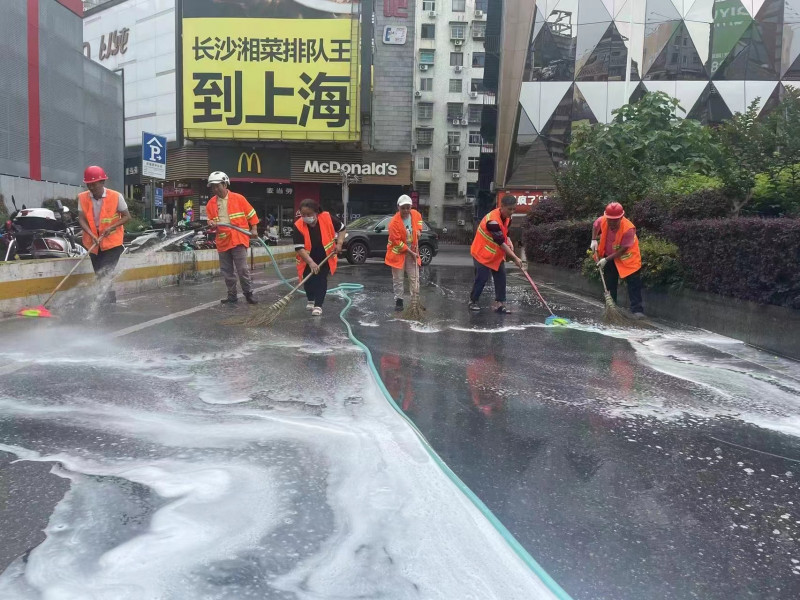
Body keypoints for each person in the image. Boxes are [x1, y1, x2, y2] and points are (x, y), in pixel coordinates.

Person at [77, 165, 130, 304]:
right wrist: (90, 234)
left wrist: (111, 227)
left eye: (94, 184)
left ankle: (105, 301)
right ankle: (109, 299)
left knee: (105, 272)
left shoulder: (116, 196)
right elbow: (81, 218)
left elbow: (126, 217)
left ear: (102, 182)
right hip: (93, 242)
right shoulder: (82, 198)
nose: (91, 188)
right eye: (88, 184)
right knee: (100, 273)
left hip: (112, 242)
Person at [205, 171, 260, 305]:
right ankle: (232, 296)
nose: (215, 189)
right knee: (227, 271)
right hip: (223, 240)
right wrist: (211, 223)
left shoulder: (238, 198)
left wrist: (254, 229)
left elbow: (252, 214)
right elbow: (211, 222)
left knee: (242, 269)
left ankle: (248, 293)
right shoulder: (211, 204)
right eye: (213, 186)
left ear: (225, 184)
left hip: (238, 238)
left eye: (217, 185)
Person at [469, 194, 524, 313]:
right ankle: (473, 301)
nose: (512, 212)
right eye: (510, 209)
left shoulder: (508, 218)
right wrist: (515, 258)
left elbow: (505, 234)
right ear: (502, 206)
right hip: (482, 253)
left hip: (496, 254)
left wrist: (508, 239)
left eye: (514, 209)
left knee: (501, 277)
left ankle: (500, 304)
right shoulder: (492, 221)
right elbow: (500, 242)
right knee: (482, 278)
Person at [591, 202, 644, 318]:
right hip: (609, 256)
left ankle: (637, 310)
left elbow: (624, 249)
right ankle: (612, 308)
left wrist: (606, 259)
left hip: (628, 258)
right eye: (610, 220)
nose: (612, 223)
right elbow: (595, 226)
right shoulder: (603, 220)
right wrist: (593, 240)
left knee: (634, 282)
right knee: (610, 283)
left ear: (621, 217)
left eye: (615, 220)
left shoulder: (629, 228)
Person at [292, 199, 345, 316]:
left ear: (316, 212)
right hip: (306, 258)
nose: (306, 217)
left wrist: (339, 244)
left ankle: (318, 305)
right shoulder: (298, 226)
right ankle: (310, 299)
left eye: (309, 214)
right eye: (303, 215)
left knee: (321, 280)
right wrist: (310, 262)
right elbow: (299, 248)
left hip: (324, 256)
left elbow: (342, 229)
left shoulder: (326, 217)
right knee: (308, 281)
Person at [385, 195, 423, 312]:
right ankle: (399, 301)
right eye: (403, 208)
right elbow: (397, 243)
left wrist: (419, 231)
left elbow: (419, 223)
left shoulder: (416, 214)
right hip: (398, 254)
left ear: (411, 207)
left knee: (414, 277)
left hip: (412, 251)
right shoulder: (393, 223)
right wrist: (410, 252)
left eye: (408, 207)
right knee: (398, 279)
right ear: (398, 207)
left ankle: (415, 301)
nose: (406, 210)